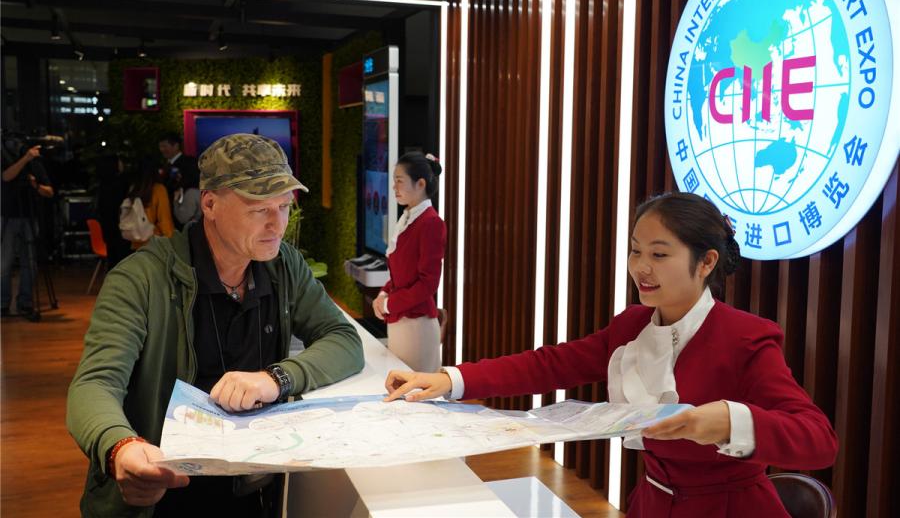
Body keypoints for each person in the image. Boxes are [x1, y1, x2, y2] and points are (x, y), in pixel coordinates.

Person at [384, 192, 838, 517]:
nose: (642, 268)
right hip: (651, 502)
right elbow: (549, 365)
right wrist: (451, 380)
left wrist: (728, 420)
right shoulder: (632, 326)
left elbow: (819, 439)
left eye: (660, 255)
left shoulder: (746, 338)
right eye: (636, 251)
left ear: (706, 263)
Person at [67, 133, 365, 517]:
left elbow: (343, 338)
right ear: (209, 203)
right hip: (165, 488)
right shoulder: (141, 278)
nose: (278, 225)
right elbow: (94, 383)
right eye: (260, 210)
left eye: (284, 206)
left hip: (254, 485)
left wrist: (276, 378)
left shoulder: (283, 267)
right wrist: (120, 446)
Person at [372, 152, 446, 373]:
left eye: (399, 180)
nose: (394, 187)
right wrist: (384, 294)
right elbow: (401, 274)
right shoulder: (407, 217)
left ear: (420, 184)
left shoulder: (431, 223)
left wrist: (389, 304)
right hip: (401, 322)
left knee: (417, 394)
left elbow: (428, 284)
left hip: (417, 324)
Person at [1, 140, 54, 319]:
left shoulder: (35, 165)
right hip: (7, 215)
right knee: (4, 263)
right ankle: (2, 302)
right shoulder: (7, 159)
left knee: (30, 263)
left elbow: (50, 191)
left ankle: (25, 302)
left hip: (30, 217)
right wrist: (25, 159)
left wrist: (35, 186)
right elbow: (6, 177)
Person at [125, 157, 174, 250]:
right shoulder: (159, 189)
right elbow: (164, 219)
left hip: (136, 243)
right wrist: (172, 241)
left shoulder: (133, 189)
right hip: (155, 244)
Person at [93, 154, 131, 268]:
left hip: (108, 228)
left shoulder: (102, 185)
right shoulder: (121, 183)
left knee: (113, 260)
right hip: (122, 228)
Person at [159, 132, 198, 230]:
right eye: (160, 146)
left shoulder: (189, 163)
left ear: (176, 146)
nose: (162, 150)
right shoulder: (165, 165)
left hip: (185, 213)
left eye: (165, 146)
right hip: (167, 213)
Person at [171, 161, 202, 227]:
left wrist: (176, 201)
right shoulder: (204, 189)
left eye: (180, 173)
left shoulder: (191, 193)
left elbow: (182, 218)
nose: (178, 176)